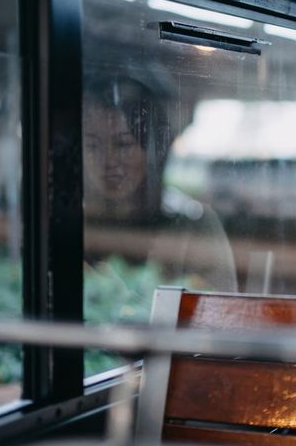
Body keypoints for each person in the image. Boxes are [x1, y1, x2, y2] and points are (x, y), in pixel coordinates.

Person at [83, 75, 238, 294]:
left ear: (154, 150)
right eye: (92, 146)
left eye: (123, 144)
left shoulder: (193, 226)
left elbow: (219, 314)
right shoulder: (74, 222)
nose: (107, 161)